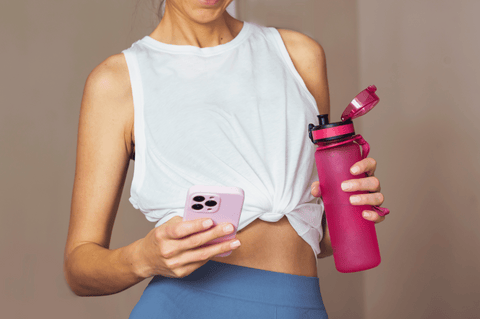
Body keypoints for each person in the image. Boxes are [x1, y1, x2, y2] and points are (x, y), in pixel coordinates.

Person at [64, 0, 388, 318]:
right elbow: (79, 268)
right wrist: (143, 258)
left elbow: (310, 234)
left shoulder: (299, 56)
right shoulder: (117, 81)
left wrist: (355, 209)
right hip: (184, 306)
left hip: (299, 304)